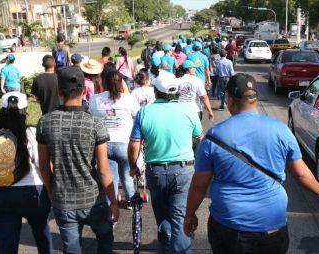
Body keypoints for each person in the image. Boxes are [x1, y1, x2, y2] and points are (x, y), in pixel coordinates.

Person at [184, 73, 319, 254]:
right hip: (272, 227)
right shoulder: (281, 130)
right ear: (255, 99)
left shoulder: (213, 137)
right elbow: (301, 173)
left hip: (229, 226)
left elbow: (198, 186)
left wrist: (189, 215)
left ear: (230, 100)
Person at [37, 67, 119, 253]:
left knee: (71, 248)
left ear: (59, 91)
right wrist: (113, 202)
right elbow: (104, 169)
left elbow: (43, 166)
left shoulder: (45, 122)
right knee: (105, 239)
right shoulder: (95, 124)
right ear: (84, 91)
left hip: (63, 200)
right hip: (94, 200)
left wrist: (52, 195)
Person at [128, 73, 203, 254]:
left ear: (156, 92)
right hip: (184, 170)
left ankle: (168, 244)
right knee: (180, 217)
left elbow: (134, 144)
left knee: (161, 213)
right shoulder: (189, 110)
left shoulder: (145, 111)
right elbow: (200, 138)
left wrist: (133, 166)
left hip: (156, 171)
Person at [0, 92, 53, 253]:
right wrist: (51, 194)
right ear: (26, 111)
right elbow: (43, 167)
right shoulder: (32, 133)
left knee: (6, 244)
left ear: (1, 111)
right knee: (42, 234)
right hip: (32, 193)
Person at [89, 71, 140, 210]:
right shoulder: (129, 99)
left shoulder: (95, 99)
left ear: (104, 83)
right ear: (121, 82)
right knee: (127, 176)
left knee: (109, 178)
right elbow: (138, 117)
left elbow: (91, 116)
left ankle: (110, 206)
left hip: (103, 145)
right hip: (125, 143)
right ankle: (131, 202)